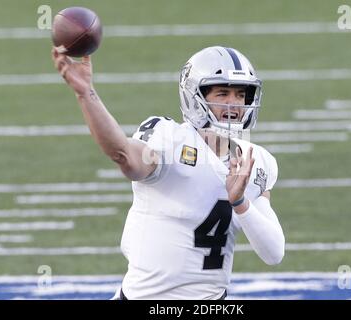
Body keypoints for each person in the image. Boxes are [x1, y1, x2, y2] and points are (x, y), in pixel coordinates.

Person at [52, 45, 285, 300]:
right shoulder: (169, 140)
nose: (234, 104)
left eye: (241, 94)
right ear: (194, 95)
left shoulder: (256, 161)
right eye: (222, 93)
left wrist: (240, 203)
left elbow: (273, 253)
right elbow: (124, 156)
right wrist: (86, 93)